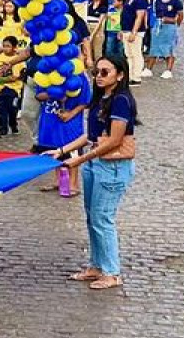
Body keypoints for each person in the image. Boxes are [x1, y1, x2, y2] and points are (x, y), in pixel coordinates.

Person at [47, 55, 138, 291]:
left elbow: (114, 140)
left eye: (105, 72)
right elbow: (91, 136)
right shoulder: (100, 99)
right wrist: (61, 151)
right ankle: (97, 265)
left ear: (120, 75)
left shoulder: (121, 101)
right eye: (96, 72)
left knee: (102, 218)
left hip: (112, 167)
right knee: (92, 216)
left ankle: (111, 271)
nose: (99, 76)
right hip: (96, 164)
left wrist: (79, 159)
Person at [144, 0, 183, 80]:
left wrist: (175, 22)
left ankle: (168, 70)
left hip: (169, 27)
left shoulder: (176, 2)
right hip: (158, 26)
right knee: (154, 46)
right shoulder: (157, 1)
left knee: (169, 48)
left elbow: (180, 15)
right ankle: (148, 69)